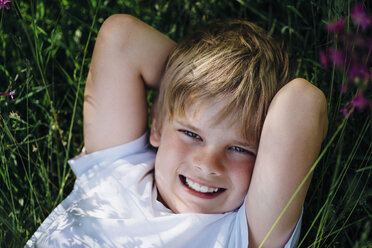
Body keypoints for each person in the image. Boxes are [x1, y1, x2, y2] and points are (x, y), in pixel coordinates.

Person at [26, 14, 328, 247]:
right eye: (192, 134)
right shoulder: (117, 171)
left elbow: (303, 102)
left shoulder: (244, 234)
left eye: (239, 148)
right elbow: (121, 38)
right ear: (157, 124)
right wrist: (194, 82)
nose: (207, 164)